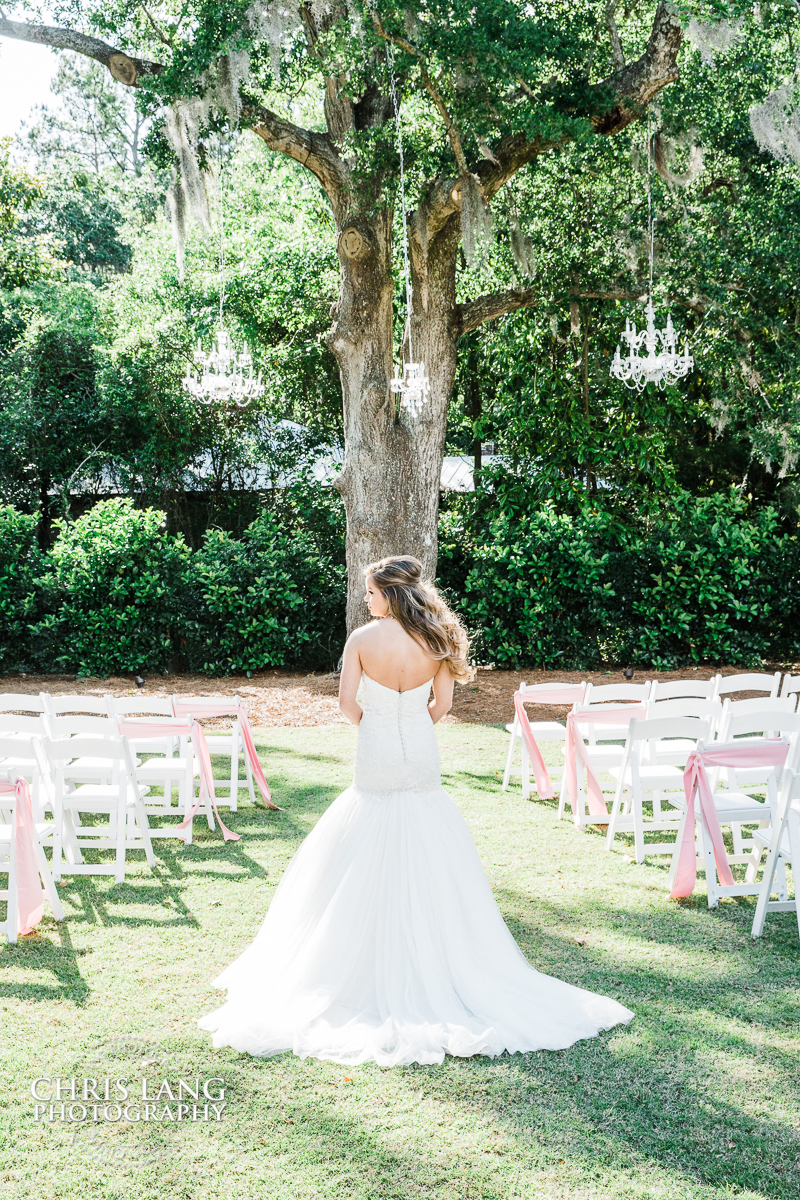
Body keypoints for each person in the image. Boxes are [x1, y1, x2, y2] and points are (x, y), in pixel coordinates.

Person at [198, 555, 632, 1065]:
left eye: (370, 592)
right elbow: (442, 707)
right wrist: (410, 720)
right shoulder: (436, 639)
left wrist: (376, 723)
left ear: (389, 594)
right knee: (427, 834)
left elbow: (345, 704)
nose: (366, 599)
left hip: (376, 749)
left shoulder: (362, 640)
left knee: (366, 828)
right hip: (421, 750)